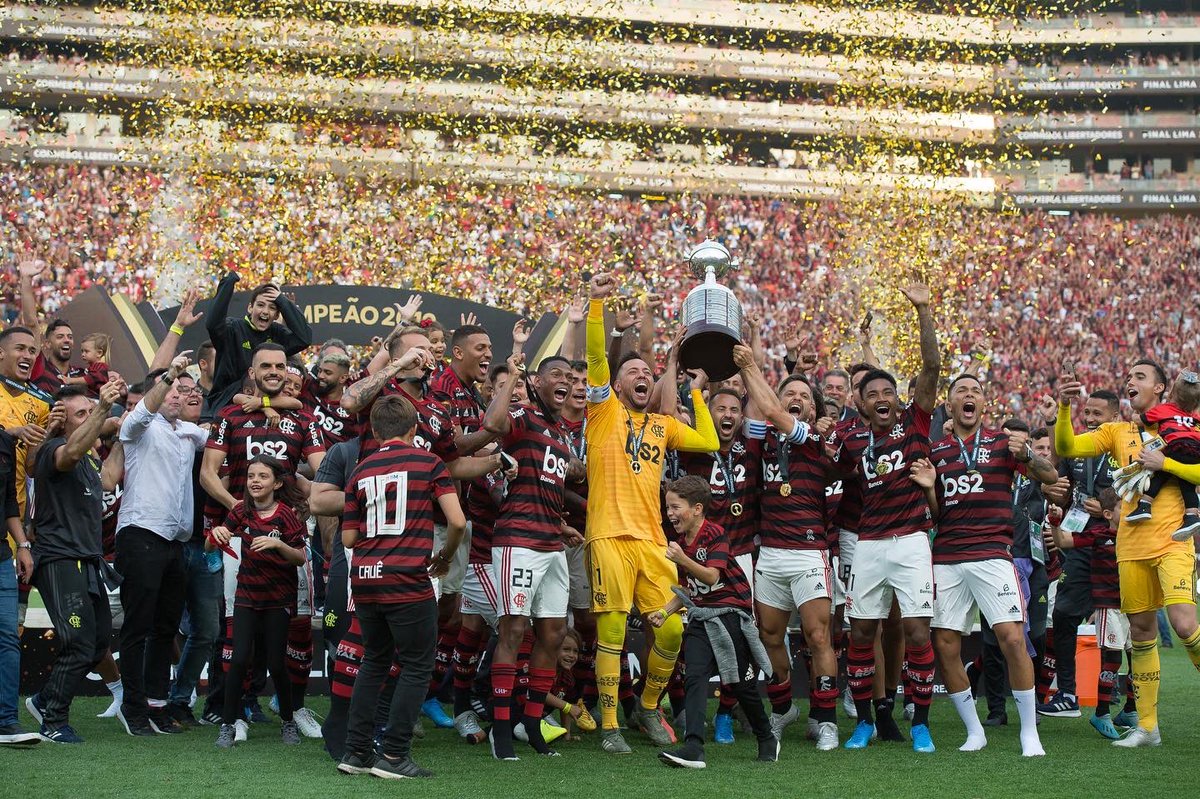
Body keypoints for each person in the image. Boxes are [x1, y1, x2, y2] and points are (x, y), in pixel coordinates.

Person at [583, 271, 719, 754]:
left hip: (651, 542)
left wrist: (697, 393)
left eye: (647, 373)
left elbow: (707, 440)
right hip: (607, 536)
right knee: (614, 628)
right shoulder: (602, 414)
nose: (642, 377)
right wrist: (597, 305)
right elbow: (597, 357)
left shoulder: (663, 425)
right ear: (616, 386)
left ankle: (647, 705)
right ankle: (609, 724)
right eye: (633, 373)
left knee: (673, 625)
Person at [1055, 359, 1200, 747]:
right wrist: (1065, 407)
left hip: (1173, 540)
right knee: (1141, 633)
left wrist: (1164, 462)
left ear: (1161, 389)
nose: (1129, 380)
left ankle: (1147, 725)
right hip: (1130, 546)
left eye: (1140, 376)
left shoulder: (1184, 425)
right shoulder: (1117, 431)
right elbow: (1067, 446)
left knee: (1185, 625)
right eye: (1128, 375)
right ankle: (1148, 728)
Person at [910, 372, 1055, 757]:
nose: (969, 397)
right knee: (945, 645)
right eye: (962, 392)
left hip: (994, 554)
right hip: (948, 558)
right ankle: (975, 731)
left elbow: (1050, 476)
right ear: (950, 405)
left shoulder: (1004, 444)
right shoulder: (936, 450)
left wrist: (1029, 456)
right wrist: (928, 488)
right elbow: (937, 515)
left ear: (984, 405)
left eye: (975, 392)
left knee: (1011, 638)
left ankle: (1029, 733)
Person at [827, 283, 940, 754]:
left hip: (912, 539)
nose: (880, 397)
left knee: (915, 630)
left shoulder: (913, 423)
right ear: (860, 402)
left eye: (887, 391)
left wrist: (923, 310)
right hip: (869, 543)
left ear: (897, 398)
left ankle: (921, 722)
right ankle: (865, 721)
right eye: (871, 392)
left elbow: (932, 366)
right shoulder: (850, 439)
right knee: (862, 631)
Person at [337, 395, 467, 780]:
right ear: (414, 429)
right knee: (416, 665)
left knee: (374, 660)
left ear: (375, 431)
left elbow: (347, 538)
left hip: (365, 578)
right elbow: (457, 522)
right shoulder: (429, 463)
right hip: (407, 579)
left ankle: (356, 752)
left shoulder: (360, 469)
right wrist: (445, 556)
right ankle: (394, 755)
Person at [732, 346, 840, 751]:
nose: (796, 401)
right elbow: (762, 415)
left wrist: (750, 366)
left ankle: (825, 720)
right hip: (771, 553)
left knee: (817, 636)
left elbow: (774, 413)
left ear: (813, 409)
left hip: (810, 552)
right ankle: (782, 710)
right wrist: (749, 374)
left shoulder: (812, 438)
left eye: (804, 397)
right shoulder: (762, 439)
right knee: (769, 637)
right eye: (788, 394)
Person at [480, 354, 582, 760]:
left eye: (570, 377)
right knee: (513, 631)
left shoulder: (560, 431)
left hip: (551, 544)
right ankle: (501, 729)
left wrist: (560, 525)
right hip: (518, 542)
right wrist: (513, 375)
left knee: (554, 634)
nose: (566, 381)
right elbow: (491, 424)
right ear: (537, 382)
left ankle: (532, 723)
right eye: (556, 375)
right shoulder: (522, 416)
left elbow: (546, 489)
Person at [24, 381, 125, 743]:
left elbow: (109, 478)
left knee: (97, 644)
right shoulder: (56, 451)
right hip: (60, 559)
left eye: (90, 410)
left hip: (88, 561)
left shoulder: (87, 460)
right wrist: (102, 411)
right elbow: (68, 452)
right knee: (79, 641)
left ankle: (44, 698)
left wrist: (126, 433)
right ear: (62, 422)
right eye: (80, 414)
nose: (90, 418)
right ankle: (53, 721)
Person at [653, 476, 777, 769]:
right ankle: (694, 747)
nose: (669, 513)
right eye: (667, 507)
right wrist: (666, 611)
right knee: (694, 676)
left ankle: (766, 737)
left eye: (675, 507)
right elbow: (688, 589)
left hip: (730, 617)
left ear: (697, 508)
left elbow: (711, 576)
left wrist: (682, 559)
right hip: (701, 619)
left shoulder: (714, 534)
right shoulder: (683, 543)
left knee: (742, 685)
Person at [115, 355, 208, 736]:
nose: (179, 394)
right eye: (172, 388)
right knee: (138, 626)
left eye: (186, 389)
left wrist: (264, 410)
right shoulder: (138, 426)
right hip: (141, 534)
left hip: (175, 542)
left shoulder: (186, 431)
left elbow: (223, 434)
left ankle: (155, 704)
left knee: (166, 628)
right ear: (157, 391)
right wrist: (167, 375)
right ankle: (131, 706)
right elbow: (139, 415)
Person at [675, 385, 760, 744]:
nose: (727, 414)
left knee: (736, 645)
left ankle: (726, 713)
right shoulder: (697, 448)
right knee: (694, 639)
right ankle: (687, 711)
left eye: (733, 409)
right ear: (708, 415)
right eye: (720, 408)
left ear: (741, 417)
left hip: (740, 559)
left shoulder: (752, 448)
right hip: (698, 556)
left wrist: (746, 361)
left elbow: (758, 401)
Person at [209, 456, 308, 748]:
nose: (255, 481)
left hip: (278, 599)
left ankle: (288, 722)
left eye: (262, 476)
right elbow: (210, 545)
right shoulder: (240, 510)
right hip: (246, 597)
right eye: (251, 475)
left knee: (277, 663)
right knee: (239, 660)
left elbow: (301, 556)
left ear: (276, 483)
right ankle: (228, 725)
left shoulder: (286, 515)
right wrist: (216, 535)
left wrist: (278, 545)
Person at [1037, 388, 1119, 721]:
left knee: (1125, 625)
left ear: (1114, 417)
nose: (1090, 419)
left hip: (1117, 546)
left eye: (1098, 414)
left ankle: (1124, 701)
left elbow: (1144, 490)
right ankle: (1068, 693)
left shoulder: (1126, 447)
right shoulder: (1080, 447)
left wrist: (1110, 506)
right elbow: (1059, 473)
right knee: (1065, 614)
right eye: (1087, 413)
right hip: (1080, 543)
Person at [1047, 487, 1134, 739]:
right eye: (1122, 506)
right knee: (1113, 660)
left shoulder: (1137, 533)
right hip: (1109, 606)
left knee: (1137, 661)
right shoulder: (1099, 534)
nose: (1128, 509)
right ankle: (1101, 713)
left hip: (1134, 606)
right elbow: (1063, 541)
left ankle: (1130, 710)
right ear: (1108, 513)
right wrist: (1054, 523)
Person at [205, 272, 312, 414]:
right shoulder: (233, 328)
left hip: (266, 403)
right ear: (250, 308)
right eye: (260, 305)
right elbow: (212, 324)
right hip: (227, 403)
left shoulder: (277, 333)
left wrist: (283, 302)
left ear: (277, 315)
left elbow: (304, 338)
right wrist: (228, 282)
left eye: (272, 308)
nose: (265, 312)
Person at [1125, 370, 1200, 539]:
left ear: (1171, 393)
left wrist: (1135, 415)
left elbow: (1139, 420)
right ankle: (1192, 515)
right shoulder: (1193, 416)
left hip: (1176, 446)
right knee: (1187, 484)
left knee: (1159, 473)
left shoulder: (1165, 409)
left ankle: (1144, 505)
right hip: (1196, 450)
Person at [0, 426, 38, 747]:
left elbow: (10, 502)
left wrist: (22, 544)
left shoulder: (6, 442)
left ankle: (6, 721)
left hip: (1, 554)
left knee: (8, 637)